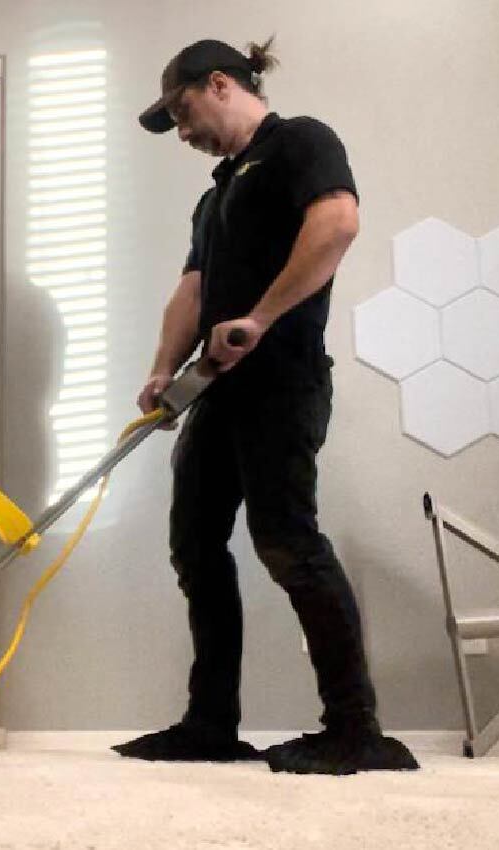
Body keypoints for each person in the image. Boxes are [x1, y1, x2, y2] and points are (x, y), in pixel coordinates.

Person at [111, 37, 419, 775]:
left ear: (220, 83)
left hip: (282, 379)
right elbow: (191, 291)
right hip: (218, 387)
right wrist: (162, 371)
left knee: (287, 540)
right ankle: (209, 724)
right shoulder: (214, 197)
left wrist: (264, 316)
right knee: (195, 546)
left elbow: (338, 223)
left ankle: (356, 728)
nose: (182, 134)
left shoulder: (300, 144)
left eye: (183, 113)